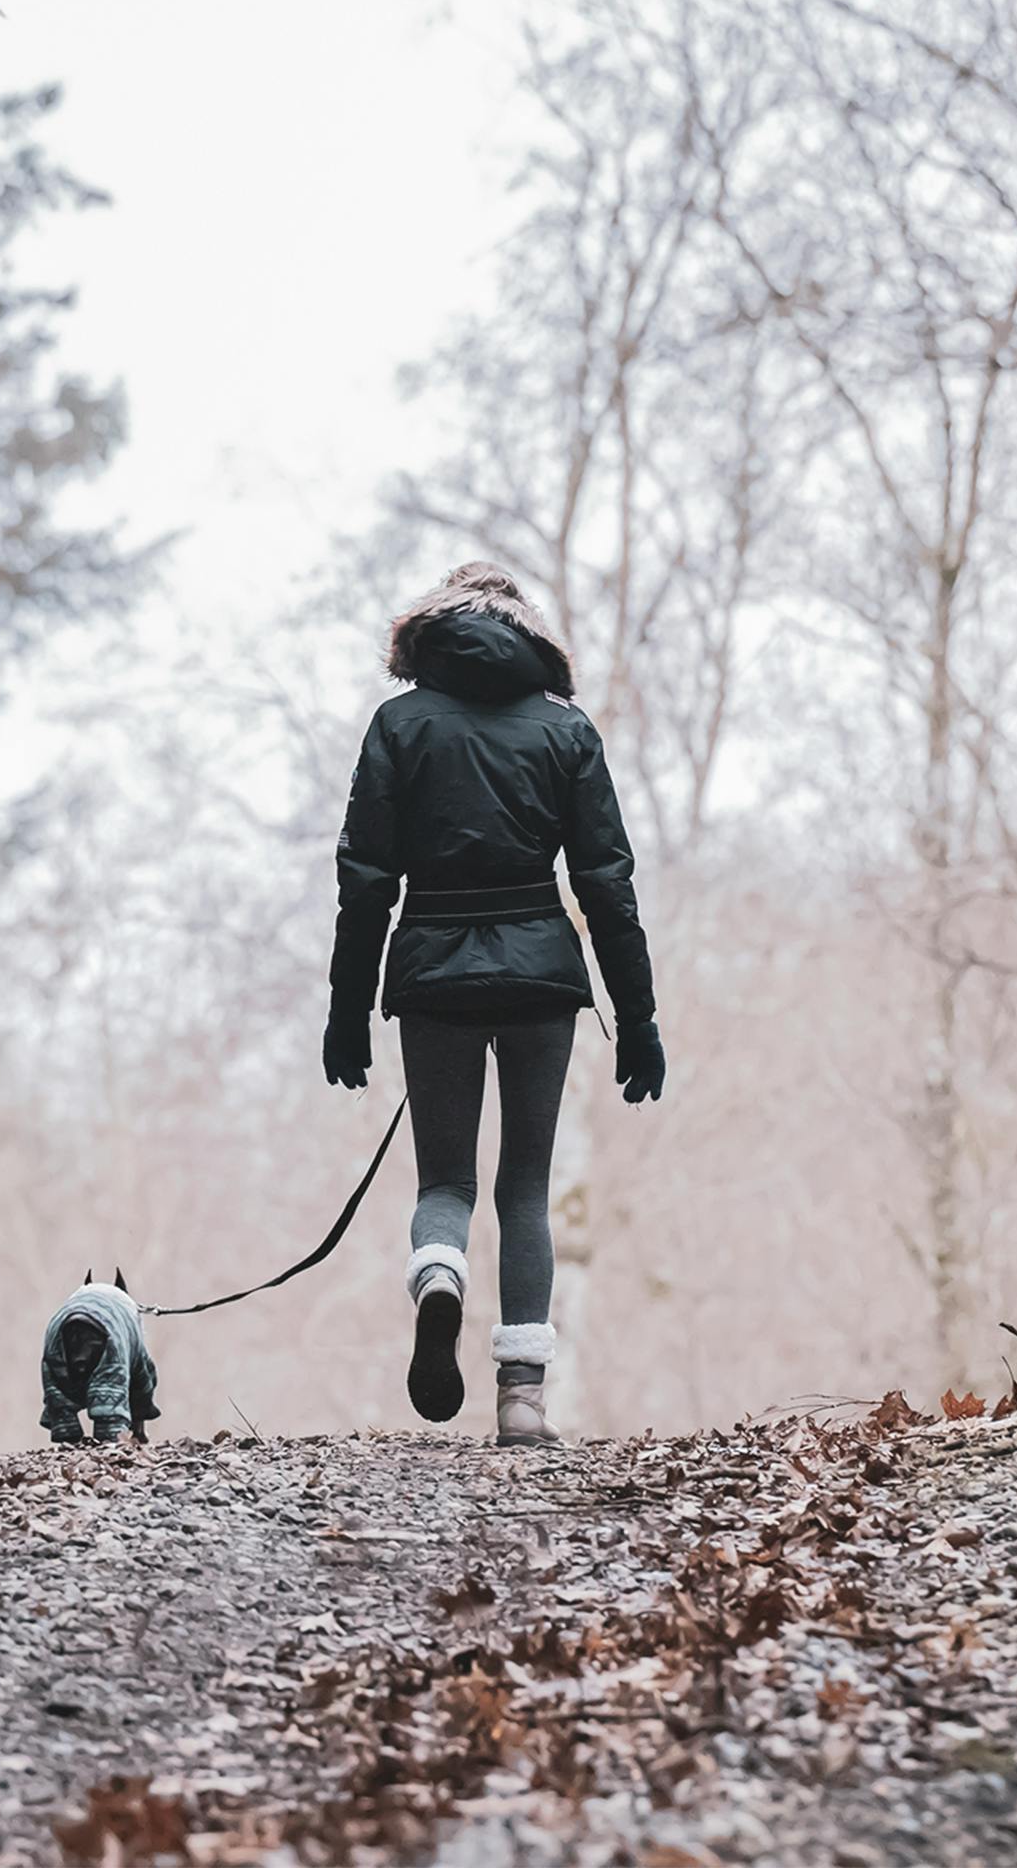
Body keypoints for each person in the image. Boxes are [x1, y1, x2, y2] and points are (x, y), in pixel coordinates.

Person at [324, 561, 663, 1447]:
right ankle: (521, 1400)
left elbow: (364, 880)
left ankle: (440, 1273)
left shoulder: (398, 724)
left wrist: (347, 1009)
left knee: (445, 1180)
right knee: (524, 1188)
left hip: (431, 971)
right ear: (530, 637)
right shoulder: (566, 733)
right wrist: (639, 1018)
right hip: (541, 977)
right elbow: (607, 883)